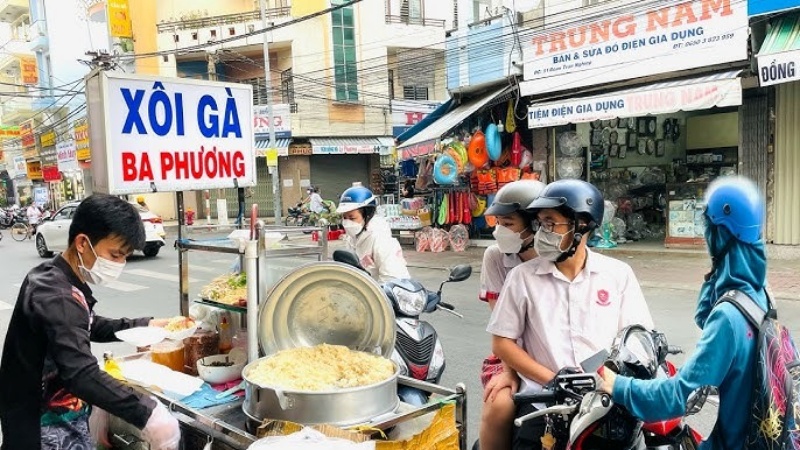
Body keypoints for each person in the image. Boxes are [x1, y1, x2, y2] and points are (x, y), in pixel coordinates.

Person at [0, 194, 180, 450]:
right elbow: (81, 374)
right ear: (83, 243)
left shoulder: (55, 275)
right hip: (40, 427)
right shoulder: (56, 294)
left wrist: (147, 325)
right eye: (115, 254)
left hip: (56, 413)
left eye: (125, 256)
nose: (120, 264)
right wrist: (149, 414)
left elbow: (86, 324)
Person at [599, 176, 767, 450]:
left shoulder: (728, 317)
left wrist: (618, 385)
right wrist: (717, 268)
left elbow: (676, 397)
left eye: (709, 230)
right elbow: (704, 316)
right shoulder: (758, 291)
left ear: (719, 235)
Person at [486, 179, 654, 449]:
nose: (543, 232)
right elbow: (502, 342)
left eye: (551, 223)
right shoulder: (522, 278)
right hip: (544, 405)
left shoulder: (618, 275)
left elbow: (637, 339)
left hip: (604, 405)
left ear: (582, 226)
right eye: (540, 224)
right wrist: (553, 381)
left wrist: (613, 377)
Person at [478, 179, 546, 450]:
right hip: (509, 355)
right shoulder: (495, 257)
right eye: (498, 224)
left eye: (508, 225)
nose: (499, 232)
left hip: (552, 355)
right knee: (501, 405)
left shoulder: (557, 255)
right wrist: (510, 373)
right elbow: (502, 329)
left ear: (535, 225)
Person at [336, 184, 410, 282]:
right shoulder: (352, 237)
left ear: (367, 215)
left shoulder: (382, 240)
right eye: (344, 218)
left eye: (352, 218)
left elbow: (392, 280)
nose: (347, 223)